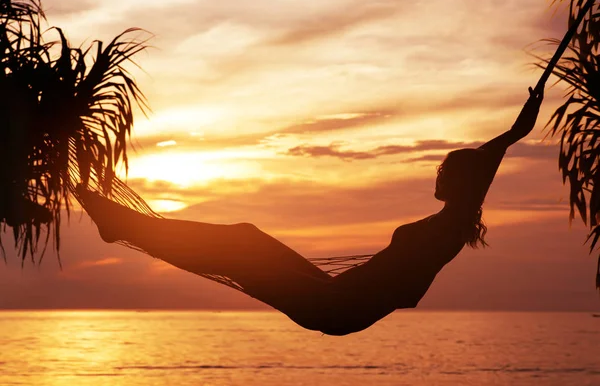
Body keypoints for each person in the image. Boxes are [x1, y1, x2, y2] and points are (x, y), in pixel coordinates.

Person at [78, 87, 544, 336]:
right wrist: (516, 128)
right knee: (245, 237)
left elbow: (487, 161)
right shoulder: (452, 220)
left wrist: (514, 131)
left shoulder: (451, 224)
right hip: (336, 294)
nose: (437, 176)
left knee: (239, 247)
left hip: (338, 306)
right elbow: (490, 155)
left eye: (446, 171)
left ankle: (122, 226)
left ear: (460, 183)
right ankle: (124, 227)